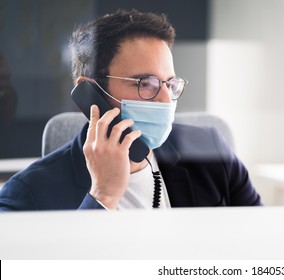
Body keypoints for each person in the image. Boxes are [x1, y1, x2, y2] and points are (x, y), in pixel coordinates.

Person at [0, 10, 262, 210]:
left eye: (169, 84)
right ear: (89, 93)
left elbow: (264, 241)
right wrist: (103, 196)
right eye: (145, 83)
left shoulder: (211, 150)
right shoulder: (27, 194)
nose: (164, 100)